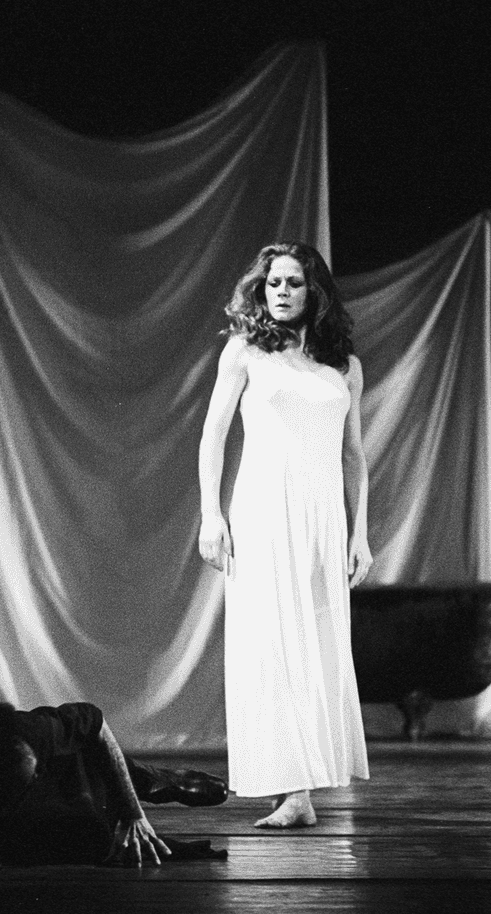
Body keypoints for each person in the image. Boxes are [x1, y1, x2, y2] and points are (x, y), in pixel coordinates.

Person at [196, 241, 372, 829]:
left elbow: (353, 456)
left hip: (322, 518)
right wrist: (211, 515)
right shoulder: (245, 351)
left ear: (313, 291)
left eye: (293, 283)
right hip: (264, 512)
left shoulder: (343, 366)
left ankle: (303, 788)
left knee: (317, 642)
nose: (281, 292)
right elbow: (213, 435)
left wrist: (360, 534)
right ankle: (291, 789)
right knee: (271, 645)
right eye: (273, 282)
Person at [0, 700, 228, 873]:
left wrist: (133, 813)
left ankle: (156, 780)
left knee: (102, 770)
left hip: (68, 765)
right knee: (89, 837)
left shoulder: (29, 733)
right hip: (8, 813)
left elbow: (94, 723)